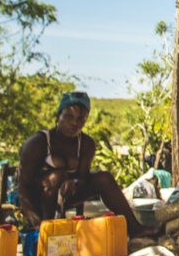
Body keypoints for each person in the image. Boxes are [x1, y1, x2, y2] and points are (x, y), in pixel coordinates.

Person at [18, 91, 158, 237]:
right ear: (58, 116)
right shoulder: (38, 142)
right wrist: (34, 220)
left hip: (66, 196)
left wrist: (75, 182)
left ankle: (135, 228)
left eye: (81, 119)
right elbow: (22, 185)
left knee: (104, 178)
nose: (74, 123)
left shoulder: (86, 144)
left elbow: (83, 177)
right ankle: (48, 231)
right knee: (56, 177)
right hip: (38, 198)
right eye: (69, 117)